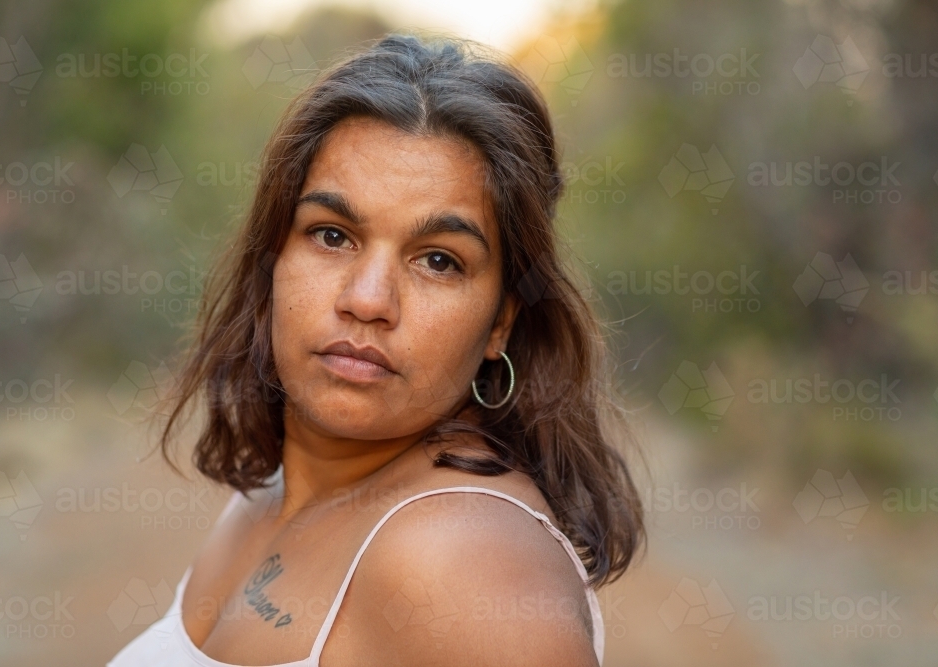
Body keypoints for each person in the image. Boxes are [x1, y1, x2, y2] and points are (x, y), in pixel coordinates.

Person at [108, 33, 644, 667]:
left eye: (439, 261)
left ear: (501, 320)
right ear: (274, 257)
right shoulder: (277, 485)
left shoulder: (462, 567)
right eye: (332, 235)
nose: (367, 299)